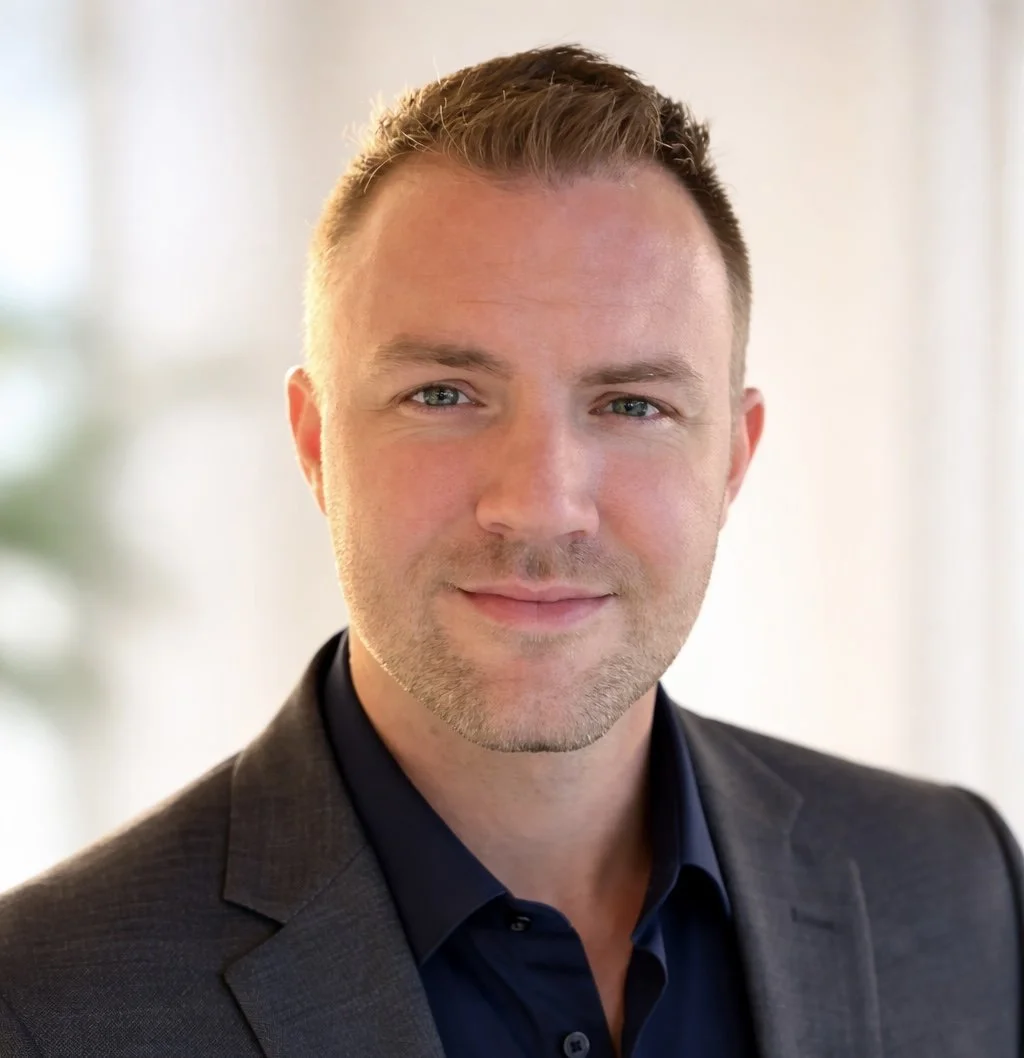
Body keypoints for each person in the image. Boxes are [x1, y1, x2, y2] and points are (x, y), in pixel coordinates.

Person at [0, 44, 1020, 1058]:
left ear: (731, 459)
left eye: (631, 403)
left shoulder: (954, 887)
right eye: (443, 395)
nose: (538, 504)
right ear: (318, 443)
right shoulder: (46, 1002)